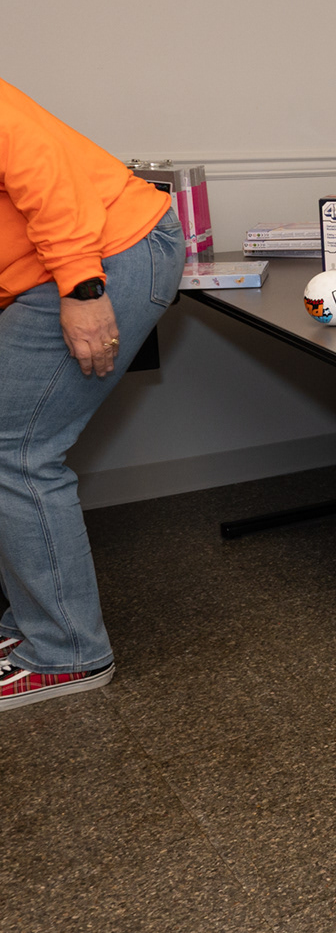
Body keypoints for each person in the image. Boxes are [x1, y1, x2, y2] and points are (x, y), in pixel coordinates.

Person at [0, 79, 184, 711]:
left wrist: (82, 289)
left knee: (16, 451)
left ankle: (66, 652)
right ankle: (34, 624)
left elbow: (46, 174)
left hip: (108, 254)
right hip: (48, 269)